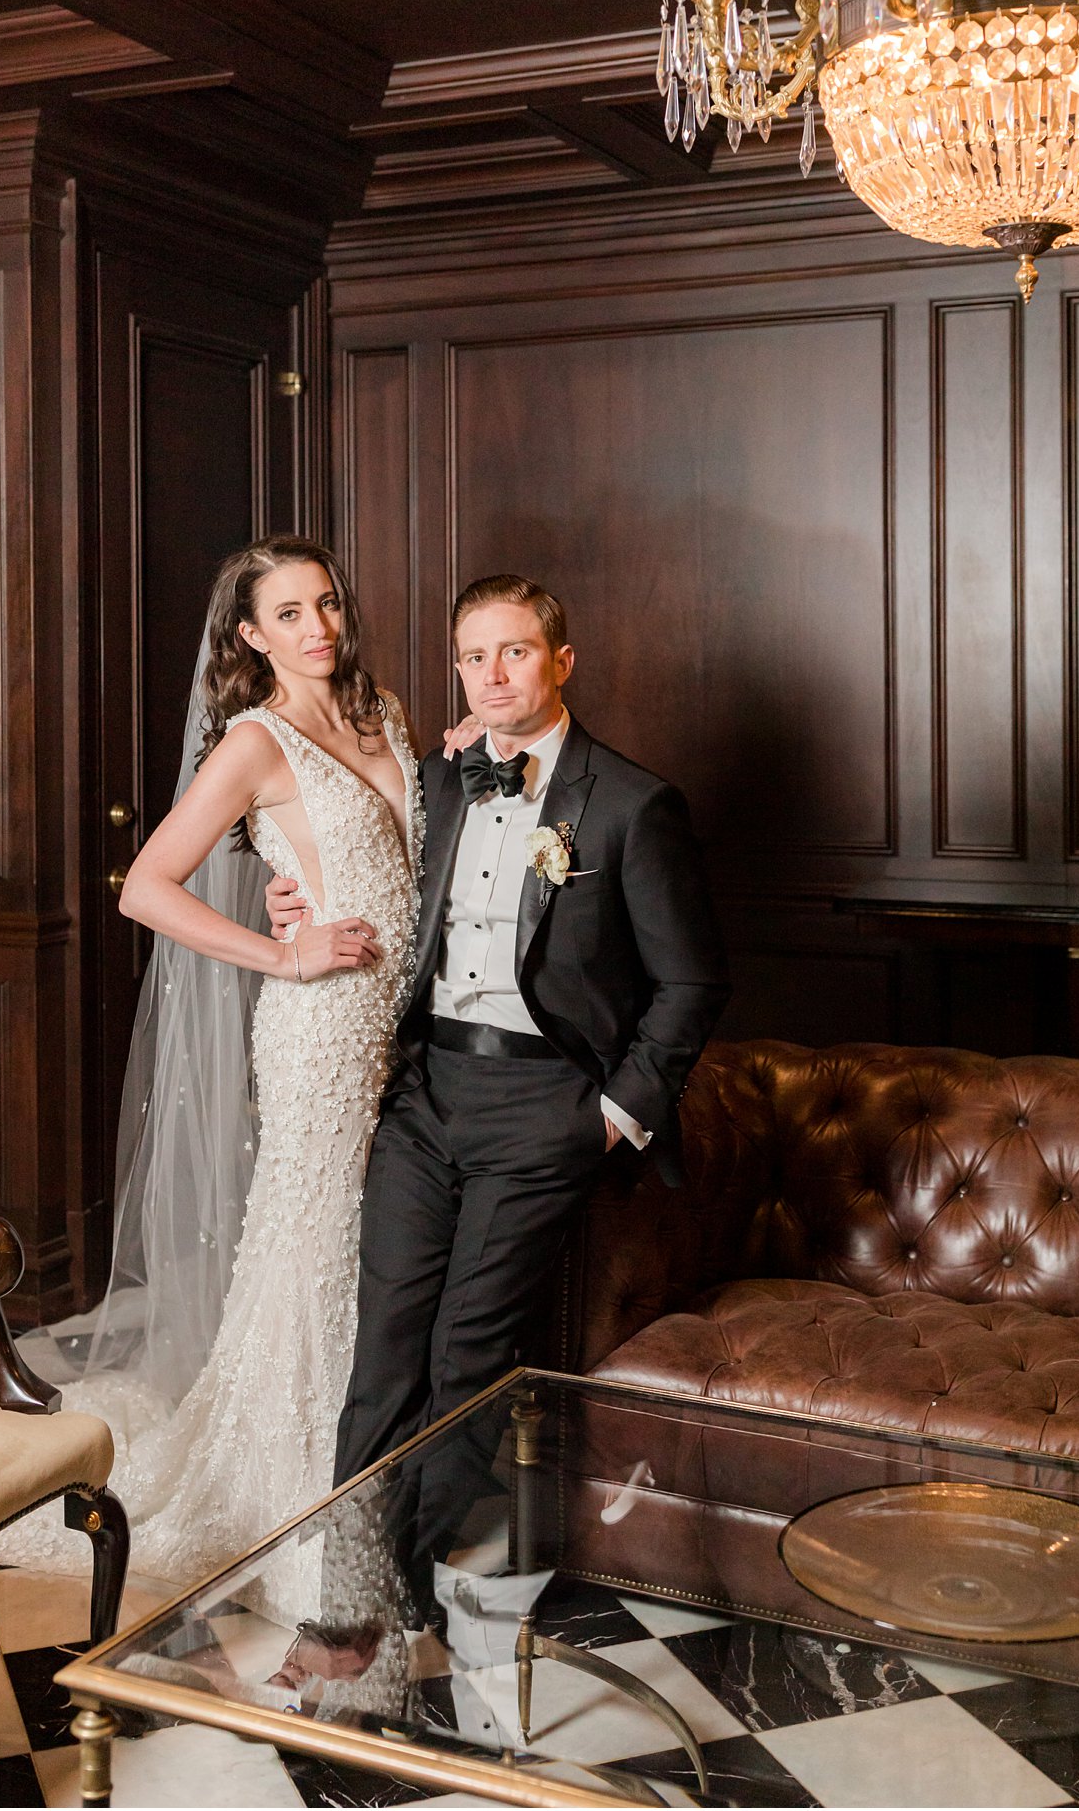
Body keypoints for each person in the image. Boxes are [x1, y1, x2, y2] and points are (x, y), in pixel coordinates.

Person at [0, 536, 442, 1605]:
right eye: (287, 615)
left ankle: (382, 1471)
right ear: (248, 634)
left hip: (407, 1029)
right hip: (321, 1032)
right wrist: (284, 949)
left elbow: (413, 849)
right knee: (312, 1254)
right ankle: (302, 1499)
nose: (317, 628)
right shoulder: (254, 739)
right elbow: (145, 887)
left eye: (326, 604)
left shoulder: (384, 712)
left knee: (380, 1254)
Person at [270, 573, 728, 1534]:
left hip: (545, 1102)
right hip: (426, 1089)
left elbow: (692, 983)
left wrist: (610, 1116)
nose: (491, 675)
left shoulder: (633, 804)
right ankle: (353, 1578)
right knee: (384, 1344)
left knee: (465, 1353)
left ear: (562, 660)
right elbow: (343, 854)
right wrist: (288, 904)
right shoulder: (439, 776)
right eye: (472, 657)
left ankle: (401, 1580)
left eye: (514, 651)